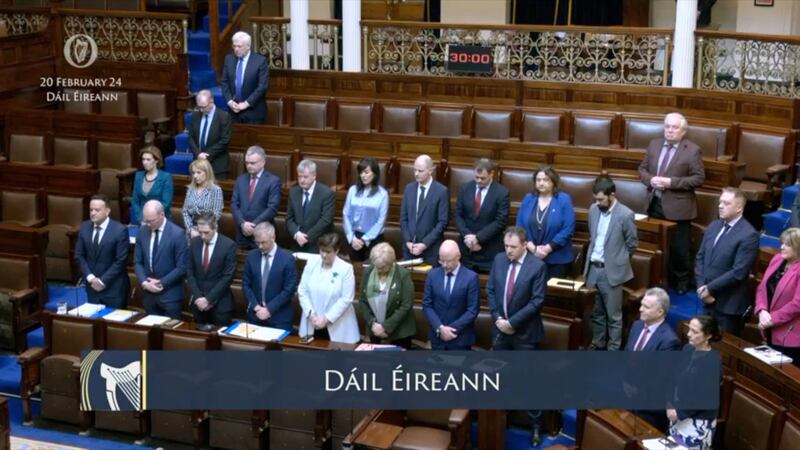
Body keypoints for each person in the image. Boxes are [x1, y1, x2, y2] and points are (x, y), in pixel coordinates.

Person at [487, 226, 547, 446]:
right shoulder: (499, 260)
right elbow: (491, 291)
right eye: (506, 246)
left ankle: (536, 426)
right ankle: (502, 420)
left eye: (513, 247)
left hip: (525, 335)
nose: (508, 251)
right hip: (501, 332)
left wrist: (512, 323)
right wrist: (498, 319)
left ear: (524, 245)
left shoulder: (537, 266)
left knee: (529, 381)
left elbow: (537, 301)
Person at [639, 112, 705, 294]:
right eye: (667, 126)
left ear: (683, 131)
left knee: (679, 249)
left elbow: (699, 179)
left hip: (679, 207)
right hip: (654, 203)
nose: (669, 130)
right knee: (655, 246)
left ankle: (682, 282)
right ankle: (657, 278)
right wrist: (650, 179)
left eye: (674, 127)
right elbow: (642, 169)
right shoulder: (654, 144)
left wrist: (671, 182)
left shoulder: (692, 150)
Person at [584, 176, 639, 351]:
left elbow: (632, 244)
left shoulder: (625, 214)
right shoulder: (593, 209)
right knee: (596, 312)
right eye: (596, 199)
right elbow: (593, 238)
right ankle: (598, 342)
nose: (598, 202)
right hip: (593, 268)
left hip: (611, 272)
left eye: (601, 199)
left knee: (614, 315)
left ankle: (613, 349)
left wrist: (618, 261)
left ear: (612, 195)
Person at [695, 187, 759, 336]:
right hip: (705, 299)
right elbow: (700, 257)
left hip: (728, 305)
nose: (720, 206)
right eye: (720, 202)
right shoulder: (714, 226)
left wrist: (709, 289)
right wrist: (701, 287)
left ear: (739, 208)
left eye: (726, 203)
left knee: (722, 352)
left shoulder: (749, 234)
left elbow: (739, 272)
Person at [667, 314, 721, 450]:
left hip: (696, 421)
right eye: (689, 329)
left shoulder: (712, 363)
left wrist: (678, 412)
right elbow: (674, 377)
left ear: (708, 336)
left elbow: (703, 398)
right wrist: (669, 403)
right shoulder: (688, 349)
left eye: (695, 332)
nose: (689, 334)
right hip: (677, 413)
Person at [298, 233, 360, 344]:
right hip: (312, 324)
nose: (324, 255)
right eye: (322, 250)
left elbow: (346, 299)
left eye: (328, 251)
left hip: (338, 327)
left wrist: (326, 319)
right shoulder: (312, 262)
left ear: (336, 251)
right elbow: (302, 291)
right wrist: (311, 315)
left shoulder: (346, 269)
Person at [516, 166, 575, 278]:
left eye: (546, 180)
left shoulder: (564, 199)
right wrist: (532, 247)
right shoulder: (529, 198)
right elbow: (519, 225)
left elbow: (568, 229)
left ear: (553, 182)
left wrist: (548, 248)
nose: (541, 183)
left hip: (557, 259)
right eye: (538, 180)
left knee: (552, 294)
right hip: (530, 256)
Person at [453, 158, 509, 273]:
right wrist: (468, 237)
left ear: (491, 174)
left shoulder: (502, 193)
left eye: (482, 178)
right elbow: (458, 215)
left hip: (489, 251)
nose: (478, 181)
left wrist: (478, 238)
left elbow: (500, 221)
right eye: (476, 177)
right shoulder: (465, 188)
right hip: (466, 249)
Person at [134, 200, 187, 319]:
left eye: (150, 221)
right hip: (148, 296)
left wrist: (160, 283)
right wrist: (144, 282)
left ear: (162, 215)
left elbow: (182, 267)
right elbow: (138, 262)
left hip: (170, 296)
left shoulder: (177, 234)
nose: (147, 224)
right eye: (145, 220)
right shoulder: (142, 231)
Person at [422, 240, 479, 350]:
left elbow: (472, 310)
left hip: (460, 340)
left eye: (448, 261)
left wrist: (451, 329)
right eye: (441, 260)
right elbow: (427, 305)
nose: (444, 265)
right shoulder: (432, 275)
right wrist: (440, 328)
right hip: (437, 338)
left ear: (458, 256)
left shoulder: (471, 278)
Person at [75, 194, 130, 308]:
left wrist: (102, 281)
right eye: (91, 210)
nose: (93, 213)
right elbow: (79, 255)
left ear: (107, 211)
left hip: (113, 289)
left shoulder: (120, 230)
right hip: (92, 288)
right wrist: (90, 278)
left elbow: (120, 261)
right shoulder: (84, 227)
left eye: (97, 210)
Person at [756, 227, 800, 365]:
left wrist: (771, 319)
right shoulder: (777, 259)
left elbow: (797, 304)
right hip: (769, 326)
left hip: (790, 335)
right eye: (782, 243)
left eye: (787, 244)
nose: (782, 247)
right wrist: (762, 310)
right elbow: (762, 288)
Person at [359, 242, 416, 349]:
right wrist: (373, 324)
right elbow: (363, 301)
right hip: (374, 330)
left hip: (400, 332)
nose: (378, 270)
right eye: (376, 266)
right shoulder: (368, 272)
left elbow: (406, 306)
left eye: (382, 267)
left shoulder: (403, 275)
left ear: (391, 263)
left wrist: (385, 327)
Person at [242, 222, 297, 330]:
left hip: (279, 318)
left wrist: (268, 309)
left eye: (264, 242)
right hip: (255, 316)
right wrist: (256, 307)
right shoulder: (251, 256)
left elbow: (289, 289)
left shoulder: (287, 258)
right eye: (257, 243)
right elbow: (246, 285)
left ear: (273, 237)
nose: (260, 246)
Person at [186, 213, 236, 327]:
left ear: (215, 228)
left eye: (206, 232)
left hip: (220, 305)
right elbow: (189, 271)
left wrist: (208, 299)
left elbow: (227, 276)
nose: (203, 236)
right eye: (200, 232)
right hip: (198, 305)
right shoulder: (194, 243)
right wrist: (199, 297)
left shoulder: (228, 245)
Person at [400, 154, 449, 265]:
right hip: (409, 250)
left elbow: (442, 223)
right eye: (415, 170)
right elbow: (404, 218)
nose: (416, 174)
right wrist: (408, 241)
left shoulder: (441, 191)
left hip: (430, 252)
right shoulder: (409, 188)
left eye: (420, 171)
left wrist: (424, 244)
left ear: (430, 170)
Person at [231, 145, 281, 249]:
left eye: (252, 163)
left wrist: (253, 225)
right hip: (242, 233)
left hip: (262, 234)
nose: (249, 166)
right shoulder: (240, 180)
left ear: (263, 162)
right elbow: (234, 204)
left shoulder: (273, 181)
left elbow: (272, 208)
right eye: (247, 163)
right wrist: (242, 223)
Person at [343, 157, 388, 262]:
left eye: (366, 172)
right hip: (354, 238)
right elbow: (346, 214)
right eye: (361, 172)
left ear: (375, 173)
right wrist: (352, 238)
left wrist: (364, 239)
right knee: (355, 272)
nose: (363, 175)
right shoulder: (352, 190)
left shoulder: (382, 194)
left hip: (373, 239)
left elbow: (380, 221)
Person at [220, 31, 269, 124]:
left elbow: (262, 87)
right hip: (233, 112)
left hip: (254, 112)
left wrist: (246, 104)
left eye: (239, 46)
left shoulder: (260, 61)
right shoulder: (229, 59)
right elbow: (224, 82)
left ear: (248, 46)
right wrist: (230, 102)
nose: (236, 49)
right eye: (234, 46)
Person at [286, 159, 335, 252]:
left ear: (314, 176)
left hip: (318, 244)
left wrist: (307, 237)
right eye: (299, 176)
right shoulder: (293, 192)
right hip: (297, 242)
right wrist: (296, 234)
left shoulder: (326, 193)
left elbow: (325, 220)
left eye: (305, 177)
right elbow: (289, 218)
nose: (301, 180)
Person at [189, 89, 232, 179]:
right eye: (199, 107)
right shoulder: (195, 116)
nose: (201, 110)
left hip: (217, 166)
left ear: (211, 101)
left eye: (203, 107)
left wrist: (207, 154)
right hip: (198, 165)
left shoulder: (224, 117)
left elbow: (225, 140)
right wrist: (198, 154)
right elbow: (191, 138)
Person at [130, 146, 173, 225]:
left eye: (148, 159)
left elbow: (166, 203)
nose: (145, 162)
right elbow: (135, 201)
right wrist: (141, 219)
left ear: (157, 160)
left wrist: (152, 219)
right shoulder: (138, 176)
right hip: (143, 220)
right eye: (143, 159)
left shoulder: (165, 177)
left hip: (160, 221)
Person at [182, 159, 223, 239]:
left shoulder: (216, 190)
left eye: (198, 172)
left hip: (207, 231)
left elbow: (216, 213)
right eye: (193, 173)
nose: (195, 176)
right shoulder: (190, 189)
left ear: (207, 173)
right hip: (191, 232)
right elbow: (185, 211)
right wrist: (191, 229)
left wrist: (201, 229)